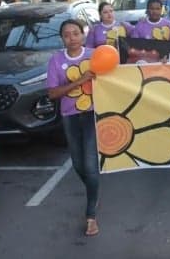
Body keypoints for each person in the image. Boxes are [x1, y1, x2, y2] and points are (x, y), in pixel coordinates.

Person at [47, 19, 100, 237]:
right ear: (62, 38)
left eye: (76, 33)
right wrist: (80, 81)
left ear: (83, 35)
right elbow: (52, 93)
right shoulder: (56, 60)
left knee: (89, 164)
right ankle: (94, 190)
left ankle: (91, 215)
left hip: (92, 115)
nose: (72, 38)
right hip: (69, 116)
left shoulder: (95, 55)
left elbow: (118, 75)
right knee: (78, 164)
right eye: (67, 35)